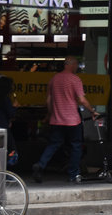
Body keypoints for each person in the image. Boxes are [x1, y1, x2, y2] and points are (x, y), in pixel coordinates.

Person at [33, 55, 94, 183]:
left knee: (54, 143)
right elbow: (82, 100)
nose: (77, 67)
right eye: (76, 64)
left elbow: (48, 101)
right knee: (76, 145)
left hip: (57, 119)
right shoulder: (75, 79)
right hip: (73, 120)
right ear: (71, 64)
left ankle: (41, 164)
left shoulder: (54, 79)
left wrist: (50, 115)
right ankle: (73, 174)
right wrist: (92, 111)